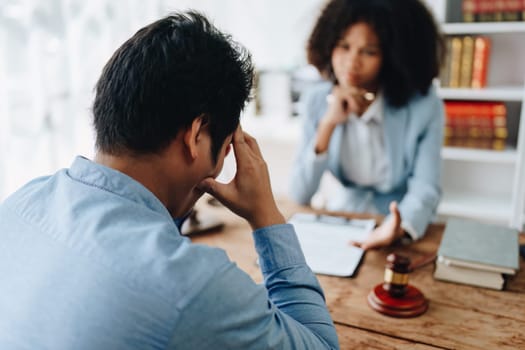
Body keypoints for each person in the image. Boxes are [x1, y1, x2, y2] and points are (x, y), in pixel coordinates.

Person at [0, 12, 339, 349]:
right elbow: (321, 345)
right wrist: (266, 215)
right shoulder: (193, 285)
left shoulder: (20, 203)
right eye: (225, 149)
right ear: (196, 136)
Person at [289, 0, 445, 250]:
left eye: (369, 51)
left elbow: (426, 188)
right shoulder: (317, 100)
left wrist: (399, 226)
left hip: (400, 229)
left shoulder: (424, 106)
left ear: (392, 57)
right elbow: (300, 194)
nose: (352, 62)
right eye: (344, 46)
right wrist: (327, 126)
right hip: (343, 225)